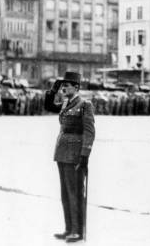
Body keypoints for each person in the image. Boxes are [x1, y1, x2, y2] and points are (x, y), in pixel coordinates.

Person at [45, 71, 95, 243]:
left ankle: (77, 231)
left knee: (75, 193)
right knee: (65, 193)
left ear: (76, 87)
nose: (64, 88)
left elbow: (89, 131)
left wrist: (84, 155)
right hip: (62, 152)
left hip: (75, 154)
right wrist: (53, 89)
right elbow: (48, 106)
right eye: (63, 85)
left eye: (67, 85)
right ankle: (68, 229)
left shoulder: (84, 105)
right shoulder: (66, 102)